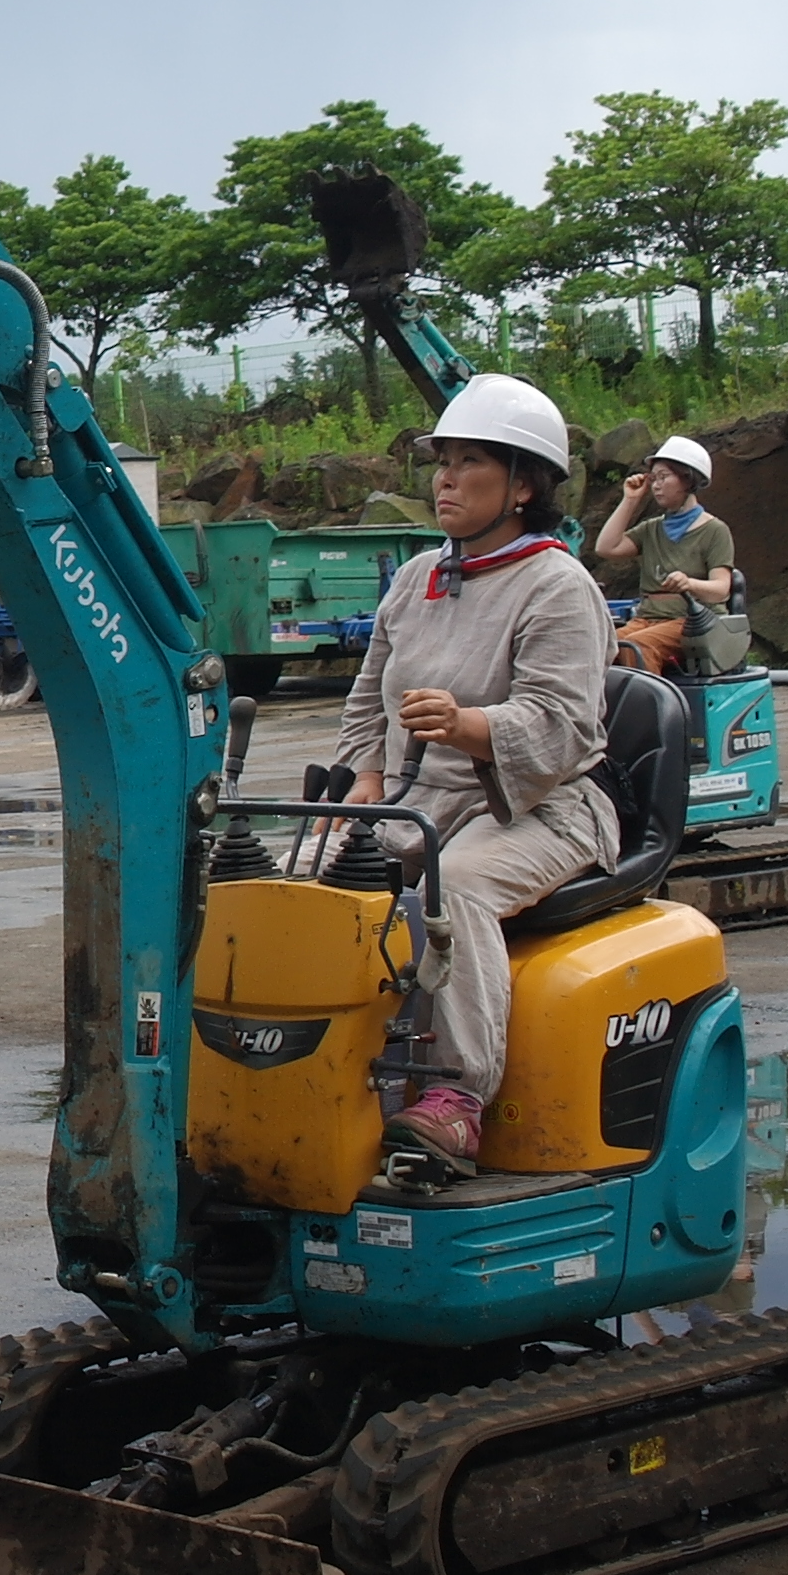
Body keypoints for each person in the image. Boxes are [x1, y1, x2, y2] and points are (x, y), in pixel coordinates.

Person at [334, 375, 617, 1173]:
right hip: (419, 798)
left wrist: (470, 725)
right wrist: (364, 777)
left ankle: (457, 1099)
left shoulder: (557, 585)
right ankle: (316, 1076)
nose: (445, 479)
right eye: (442, 462)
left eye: (468, 463)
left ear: (524, 486)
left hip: (542, 807)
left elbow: (566, 726)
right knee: (308, 881)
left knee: (452, 887)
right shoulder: (417, 576)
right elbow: (369, 695)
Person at [591, 436, 737, 673]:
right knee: (603, 645)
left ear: (688, 479)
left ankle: (650, 708)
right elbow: (606, 548)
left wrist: (688, 583)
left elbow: (721, 588)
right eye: (653, 478)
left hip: (693, 621)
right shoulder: (652, 529)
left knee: (637, 645)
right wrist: (630, 500)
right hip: (648, 618)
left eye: (664, 477)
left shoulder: (714, 530)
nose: (656, 485)